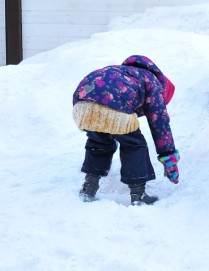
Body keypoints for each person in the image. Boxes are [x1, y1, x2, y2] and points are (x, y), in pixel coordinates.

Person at [72, 55, 179, 205]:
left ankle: (89, 188)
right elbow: (160, 123)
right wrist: (168, 157)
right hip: (113, 101)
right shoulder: (154, 84)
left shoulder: (125, 72)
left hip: (82, 102)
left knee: (99, 142)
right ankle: (138, 195)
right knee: (133, 145)